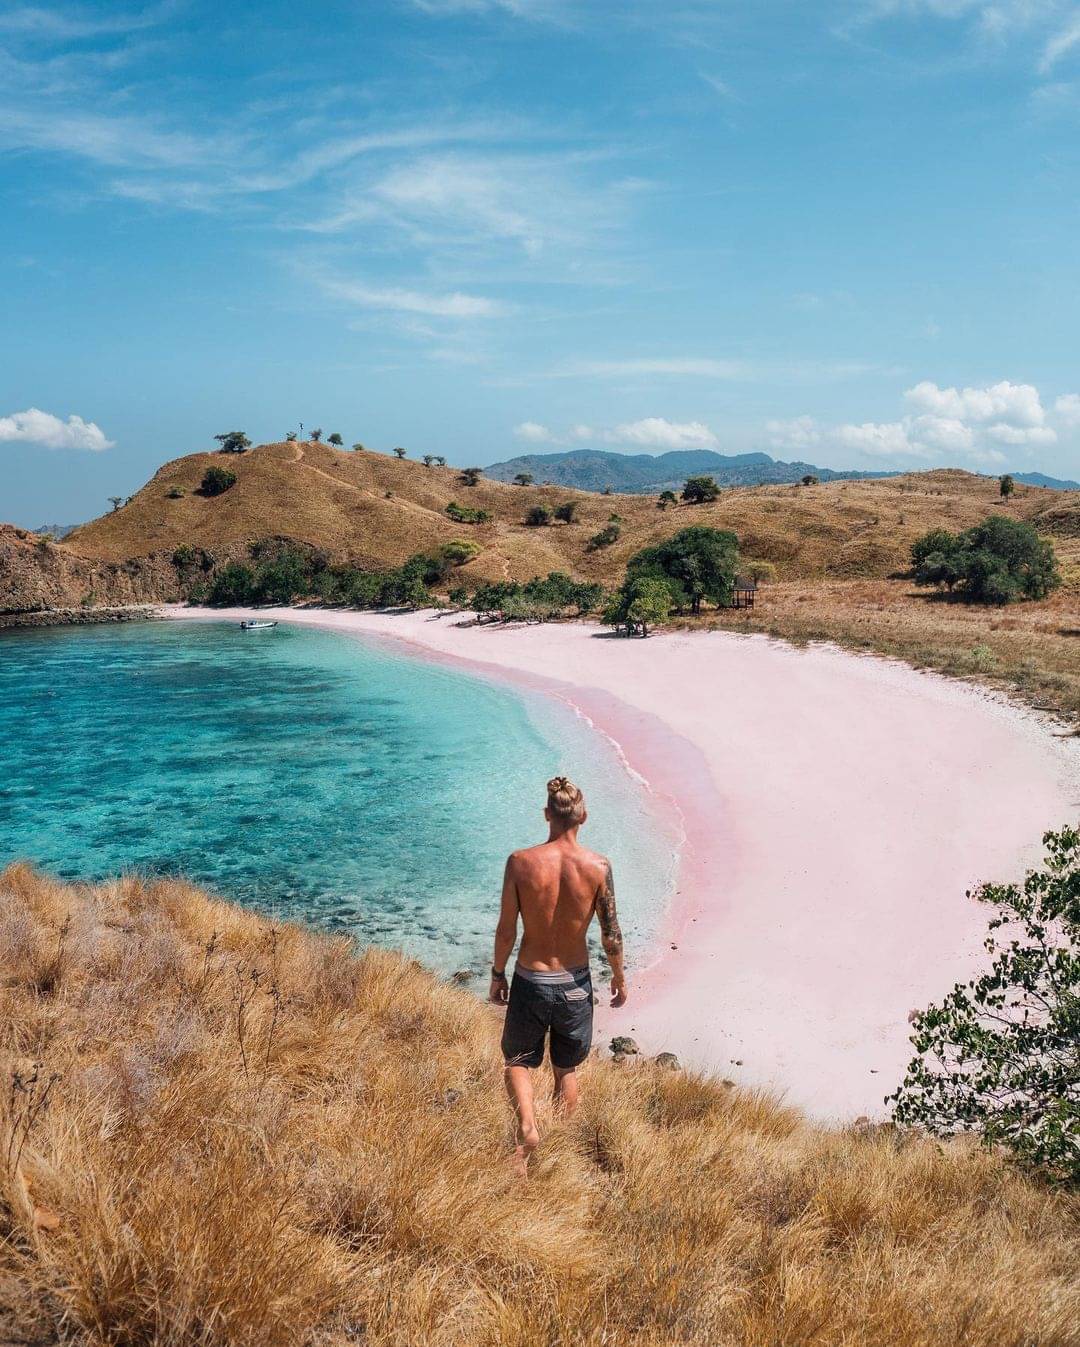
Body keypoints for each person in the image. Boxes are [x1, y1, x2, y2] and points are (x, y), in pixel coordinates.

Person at [490, 775, 627, 1173]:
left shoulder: (520, 862)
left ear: (546, 814)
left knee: (517, 1061)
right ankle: (560, 1151)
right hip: (574, 984)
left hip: (531, 979)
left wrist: (498, 975)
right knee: (565, 1068)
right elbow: (611, 933)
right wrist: (619, 976)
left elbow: (505, 929)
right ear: (583, 816)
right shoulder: (599, 867)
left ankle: (528, 1128)